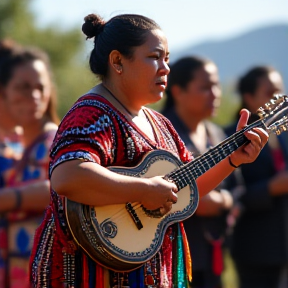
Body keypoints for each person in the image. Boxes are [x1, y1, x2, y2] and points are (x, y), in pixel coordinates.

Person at [29, 13, 268, 288]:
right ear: (117, 61)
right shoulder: (91, 113)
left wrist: (232, 160)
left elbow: (184, 193)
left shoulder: (161, 124)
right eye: (155, 57)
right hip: (90, 276)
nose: (166, 67)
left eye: (167, 58)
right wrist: (143, 190)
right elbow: (68, 177)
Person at [162, 56, 233, 288]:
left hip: (213, 251)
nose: (215, 94)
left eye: (216, 85)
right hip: (173, 254)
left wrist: (224, 200)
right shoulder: (162, 135)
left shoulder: (217, 135)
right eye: (205, 87)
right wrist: (196, 201)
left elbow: (238, 187)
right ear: (178, 91)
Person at [0, 43, 59, 288]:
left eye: (40, 87)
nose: (34, 96)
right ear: (4, 92)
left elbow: (64, 189)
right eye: (24, 87)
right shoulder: (20, 147)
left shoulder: (57, 141)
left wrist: (8, 198)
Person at [224, 66, 288, 288]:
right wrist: (270, 188)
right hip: (255, 247)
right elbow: (232, 194)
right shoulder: (231, 138)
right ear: (249, 97)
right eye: (270, 93)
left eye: (280, 91)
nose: (279, 99)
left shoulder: (284, 135)